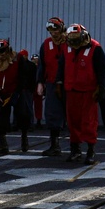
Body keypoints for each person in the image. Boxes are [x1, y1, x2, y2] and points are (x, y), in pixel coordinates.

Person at [56, 23, 105, 164]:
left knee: (88, 121)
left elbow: (102, 69)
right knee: (72, 121)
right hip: (71, 90)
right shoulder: (66, 48)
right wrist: (59, 82)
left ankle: (90, 150)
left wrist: (101, 87)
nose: (73, 42)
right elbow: (61, 66)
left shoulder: (95, 48)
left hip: (89, 91)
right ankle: (75, 150)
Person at [0, 39, 36, 155]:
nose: (0, 55)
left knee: (22, 115)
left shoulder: (18, 59)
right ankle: (3, 144)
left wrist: (18, 92)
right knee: (0, 118)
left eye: (2, 52)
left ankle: (24, 138)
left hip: (17, 91)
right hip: (2, 93)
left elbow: (23, 76)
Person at [36, 17, 67, 156]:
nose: (53, 33)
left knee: (73, 114)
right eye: (51, 30)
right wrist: (40, 82)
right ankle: (54, 145)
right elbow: (42, 65)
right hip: (52, 82)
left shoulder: (70, 42)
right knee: (52, 113)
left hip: (69, 83)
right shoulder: (46, 44)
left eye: (56, 29)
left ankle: (78, 146)